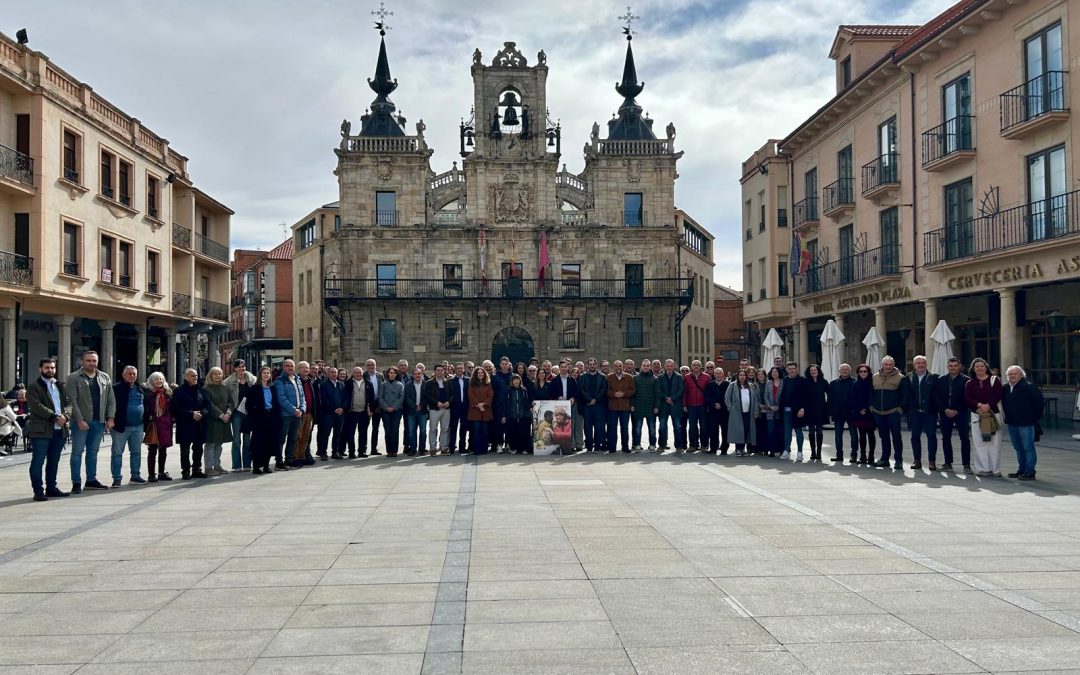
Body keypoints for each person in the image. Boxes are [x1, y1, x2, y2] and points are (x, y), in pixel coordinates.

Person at [66, 350, 116, 492]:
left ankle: (91, 480)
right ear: (82, 361)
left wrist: (110, 417)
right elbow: (72, 401)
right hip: (81, 423)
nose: (91, 363)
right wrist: (80, 420)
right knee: (77, 452)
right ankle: (76, 482)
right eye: (88, 360)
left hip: (98, 422)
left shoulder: (104, 377)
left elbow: (111, 399)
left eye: (94, 361)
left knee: (93, 452)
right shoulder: (74, 377)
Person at [26, 358, 71, 501]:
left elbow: (68, 403)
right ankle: (38, 491)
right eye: (47, 368)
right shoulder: (34, 386)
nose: (50, 370)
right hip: (41, 430)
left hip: (59, 429)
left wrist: (65, 415)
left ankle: (51, 488)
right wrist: (54, 416)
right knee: (38, 461)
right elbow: (36, 406)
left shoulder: (60, 385)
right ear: (40, 369)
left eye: (52, 368)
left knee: (54, 461)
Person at [1002, 365, 1043, 481]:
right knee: (1018, 447)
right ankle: (1022, 469)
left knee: (1028, 447)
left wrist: (1033, 419)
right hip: (1012, 423)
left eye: (1015, 374)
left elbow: (1039, 405)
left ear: (1021, 375)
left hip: (1026, 423)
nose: (1012, 376)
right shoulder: (1005, 388)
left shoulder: (1029, 387)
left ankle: (1030, 471)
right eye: (1010, 374)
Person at [965, 357, 1004, 477]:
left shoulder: (994, 380)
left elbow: (998, 394)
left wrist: (989, 405)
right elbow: (967, 397)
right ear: (973, 369)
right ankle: (982, 468)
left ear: (986, 367)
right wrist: (979, 405)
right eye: (977, 366)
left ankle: (995, 469)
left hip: (993, 414)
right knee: (979, 442)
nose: (980, 368)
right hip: (977, 415)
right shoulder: (970, 382)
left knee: (994, 442)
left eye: (982, 366)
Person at [109, 365, 147, 486]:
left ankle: (135, 476)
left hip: (138, 426)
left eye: (134, 374)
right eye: (129, 374)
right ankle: (116, 478)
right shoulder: (115, 388)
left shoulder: (140, 388)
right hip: (121, 426)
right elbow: (109, 405)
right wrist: (110, 419)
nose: (132, 376)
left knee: (136, 452)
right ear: (123, 375)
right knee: (117, 453)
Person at [871, 356, 909, 470]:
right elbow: (871, 393)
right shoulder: (874, 377)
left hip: (893, 412)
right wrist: (871, 407)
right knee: (884, 437)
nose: (888, 367)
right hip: (878, 412)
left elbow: (905, 395)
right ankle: (885, 459)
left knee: (896, 437)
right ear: (882, 365)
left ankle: (898, 460)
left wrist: (900, 409)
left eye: (890, 364)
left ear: (893, 365)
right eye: (886, 364)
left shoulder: (901, 378)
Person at [934, 356, 971, 473]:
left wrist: (957, 410)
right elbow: (937, 396)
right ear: (947, 366)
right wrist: (945, 409)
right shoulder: (941, 379)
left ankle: (966, 464)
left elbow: (967, 397)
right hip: (945, 413)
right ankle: (947, 463)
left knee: (964, 438)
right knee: (946, 438)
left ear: (959, 366)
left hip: (961, 412)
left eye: (955, 366)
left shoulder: (966, 380)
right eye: (951, 366)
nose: (953, 368)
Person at [171, 368, 209, 479]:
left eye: (196, 375)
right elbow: (174, 409)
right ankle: (186, 471)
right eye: (193, 376)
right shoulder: (179, 391)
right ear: (186, 377)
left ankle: (197, 469)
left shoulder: (201, 390)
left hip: (199, 423)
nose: (195, 378)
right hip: (185, 424)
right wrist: (190, 414)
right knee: (185, 450)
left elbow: (207, 405)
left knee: (198, 448)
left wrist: (202, 413)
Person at [904, 355, 938, 471]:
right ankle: (917, 460)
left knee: (932, 436)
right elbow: (906, 395)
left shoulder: (933, 377)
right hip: (914, 413)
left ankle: (932, 461)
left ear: (926, 364)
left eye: (923, 363)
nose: (921, 365)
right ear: (914, 365)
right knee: (915, 437)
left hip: (930, 413)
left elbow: (937, 396)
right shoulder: (908, 377)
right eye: (918, 363)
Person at [244, 366, 280, 474]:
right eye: (264, 373)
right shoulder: (254, 388)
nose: (266, 375)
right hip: (259, 419)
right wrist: (254, 416)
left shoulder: (273, 388)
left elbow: (276, 404)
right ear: (260, 375)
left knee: (269, 442)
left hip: (271, 418)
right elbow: (248, 405)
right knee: (258, 443)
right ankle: (256, 466)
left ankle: (266, 465)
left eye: (268, 373)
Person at [224, 359, 255, 472]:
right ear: (235, 368)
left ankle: (247, 464)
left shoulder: (252, 380)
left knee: (247, 439)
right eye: (240, 367)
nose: (242, 369)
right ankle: (236, 465)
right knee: (236, 439)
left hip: (248, 413)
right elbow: (225, 397)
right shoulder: (228, 381)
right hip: (236, 412)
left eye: (243, 366)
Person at [273, 359, 304, 471]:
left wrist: (301, 408)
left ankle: (289, 459)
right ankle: (279, 461)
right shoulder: (279, 381)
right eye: (287, 366)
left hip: (297, 414)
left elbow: (302, 396)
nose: (290, 368)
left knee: (293, 437)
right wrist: (293, 410)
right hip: (285, 415)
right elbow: (281, 398)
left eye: (292, 366)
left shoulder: (297, 379)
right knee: (281, 438)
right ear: (283, 367)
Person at [143, 372, 173, 481]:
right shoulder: (147, 393)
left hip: (165, 423)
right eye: (156, 379)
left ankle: (161, 472)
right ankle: (151, 475)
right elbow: (145, 409)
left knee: (163, 449)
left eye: (160, 379)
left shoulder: (168, 392)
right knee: (152, 449)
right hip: (154, 423)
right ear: (151, 381)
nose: (159, 381)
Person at [202, 367, 232, 476]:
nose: (217, 376)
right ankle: (208, 467)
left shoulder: (225, 388)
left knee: (219, 443)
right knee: (211, 443)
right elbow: (209, 404)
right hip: (213, 419)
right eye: (215, 374)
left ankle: (217, 465)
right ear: (210, 376)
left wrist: (228, 413)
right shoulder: (206, 389)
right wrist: (220, 415)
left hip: (225, 419)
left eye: (219, 374)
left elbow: (230, 402)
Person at [724, 369, 759, 456]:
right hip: (737, 412)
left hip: (748, 412)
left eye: (744, 375)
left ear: (746, 376)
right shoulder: (732, 385)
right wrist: (730, 408)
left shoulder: (750, 386)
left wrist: (755, 411)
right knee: (739, 430)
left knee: (747, 430)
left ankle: (744, 449)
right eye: (740, 375)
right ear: (738, 376)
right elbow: (727, 397)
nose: (742, 377)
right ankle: (738, 449)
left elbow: (754, 400)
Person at [848, 364, 876, 465]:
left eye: (865, 371)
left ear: (868, 372)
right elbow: (853, 398)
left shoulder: (873, 383)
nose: (863, 373)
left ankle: (871, 455)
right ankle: (863, 455)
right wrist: (859, 409)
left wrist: (866, 408)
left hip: (870, 413)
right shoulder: (855, 384)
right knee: (862, 435)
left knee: (871, 435)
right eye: (861, 371)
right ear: (858, 373)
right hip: (858, 413)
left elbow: (872, 397)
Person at [778, 361, 806, 461]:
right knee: (787, 432)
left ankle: (800, 452)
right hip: (786, 411)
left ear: (796, 369)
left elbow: (805, 396)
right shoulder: (785, 380)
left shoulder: (802, 380)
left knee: (798, 431)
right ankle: (786, 451)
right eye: (789, 369)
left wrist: (802, 408)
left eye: (793, 368)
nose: (792, 370)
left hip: (797, 411)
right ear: (787, 370)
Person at [828, 364, 856, 463]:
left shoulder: (855, 382)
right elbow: (830, 399)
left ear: (850, 371)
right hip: (838, 412)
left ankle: (854, 455)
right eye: (842, 369)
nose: (844, 371)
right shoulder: (833, 383)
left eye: (846, 369)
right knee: (838, 435)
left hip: (851, 412)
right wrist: (830, 412)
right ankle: (839, 455)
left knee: (853, 435)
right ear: (839, 371)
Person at [606, 360, 636, 453]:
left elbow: (633, 390)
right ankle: (612, 447)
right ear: (613, 367)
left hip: (625, 407)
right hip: (613, 407)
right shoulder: (609, 377)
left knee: (624, 428)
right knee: (612, 428)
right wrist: (614, 394)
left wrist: (624, 394)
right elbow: (606, 391)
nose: (618, 368)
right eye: (616, 366)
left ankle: (625, 447)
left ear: (623, 367)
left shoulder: (629, 377)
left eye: (620, 366)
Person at [579, 358, 608, 452]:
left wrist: (595, 399)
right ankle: (589, 446)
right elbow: (582, 389)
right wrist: (589, 399)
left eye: (593, 364)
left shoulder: (602, 376)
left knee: (598, 427)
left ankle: (597, 446)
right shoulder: (583, 376)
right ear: (587, 365)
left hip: (599, 405)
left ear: (596, 365)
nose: (592, 366)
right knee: (587, 427)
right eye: (590, 364)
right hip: (587, 406)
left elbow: (604, 389)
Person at [317, 367, 347, 460]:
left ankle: (335, 452)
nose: (334, 374)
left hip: (340, 414)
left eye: (335, 372)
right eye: (332, 372)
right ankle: (323, 453)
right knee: (326, 434)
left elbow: (346, 398)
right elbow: (324, 400)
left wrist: (342, 408)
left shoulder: (341, 384)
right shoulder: (324, 385)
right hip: (328, 413)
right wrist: (334, 409)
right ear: (328, 374)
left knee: (337, 434)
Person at [341, 366, 370, 458]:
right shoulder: (348, 383)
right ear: (353, 374)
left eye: (360, 372)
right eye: (356, 373)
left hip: (364, 412)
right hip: (352, 412)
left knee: (363, 433)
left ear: (362, 373)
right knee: (350, 433)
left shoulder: (368, 383)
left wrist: (370, 408)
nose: (358, 374)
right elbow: (345, 397)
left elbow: (371, 396)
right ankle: (351, 451)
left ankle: (362, 451)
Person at [293, 361, 318, 467]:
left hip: (310, 413)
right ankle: (295, 457)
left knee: (306, 437)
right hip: (300, 413)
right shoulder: (296, 381)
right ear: (298, 369)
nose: (306, 370)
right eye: (303, 368)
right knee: (298, 436)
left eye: (307, 368)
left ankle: (302, 456)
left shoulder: (310, 381)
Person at [657, 359, 685, 452]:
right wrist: (666, 398)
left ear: (674, 366)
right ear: (665, 367)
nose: (669, 368)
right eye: (667, 366)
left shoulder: (679, 377)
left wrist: (672, 398)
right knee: (662, 426)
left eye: (671, 366)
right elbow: (658, 391)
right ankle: (662, 445)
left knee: (677, 427)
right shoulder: (660, 377)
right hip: (664, 406)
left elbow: (681, 390)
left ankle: (679, 446)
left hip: (675, 405)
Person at [631, 360, 659, 452]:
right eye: (644, 365)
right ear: (641, 366)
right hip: (639, 407)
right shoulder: (635, 378)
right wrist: (632, 405)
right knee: (637, 428)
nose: (646, 367)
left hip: (651, 408)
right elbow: (633, 394)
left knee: (652, 428)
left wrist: (656, 407)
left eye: (647, 365)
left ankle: (652, 445)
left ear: (650, 367)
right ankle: (637, 445)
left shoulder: (654, 379)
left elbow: (657, 394)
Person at [424, 364, 452, 455]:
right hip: (434, 409)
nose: (440, 372)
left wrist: (449, 402)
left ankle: (443, 448)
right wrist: (436, 403)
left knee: (445, 429)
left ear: (444, 371)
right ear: (435, 371)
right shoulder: (429, 383)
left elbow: (452, 394)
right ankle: (433, 448)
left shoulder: (447, 382)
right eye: (438, 370)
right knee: (433, 429)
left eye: (441, 370)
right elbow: (427, 396)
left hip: (446, 409)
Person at [501, 373, 532, 454]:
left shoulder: (524, 390)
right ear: (512, 381)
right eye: (514, 380)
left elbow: (526, 402)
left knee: (523, 432)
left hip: (522, 415)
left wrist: (530, 408)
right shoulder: (508, 390)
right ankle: (513, 448)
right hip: (511, 415)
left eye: (517, 380)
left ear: (520, 381)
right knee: (513, 433)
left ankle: (523, 449)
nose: (516, 381)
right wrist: (503, 415)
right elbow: (504, 403)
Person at [683, 360, 710, 453]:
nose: (696, 366)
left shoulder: (707, 377)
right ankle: (693, 445)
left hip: (703, 405)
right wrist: (684, 404)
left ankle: (704, 445)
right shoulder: (687, 377)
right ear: (691, 366)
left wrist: (708, 405)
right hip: (691, 406)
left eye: (698, 365)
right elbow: (685, 392)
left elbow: (709, 393)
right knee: (692, 427)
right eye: (694, 365)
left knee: (704, 427)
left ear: (701, 366)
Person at [378, 366, 405, 456]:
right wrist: (386, 407)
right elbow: (380, 397)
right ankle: (389, 450)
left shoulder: (400, 385)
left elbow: (401, 397)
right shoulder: (383, 384)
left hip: (396, 410)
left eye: (394, 373)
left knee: (395, 430)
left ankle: (394, 451)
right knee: (388, 430)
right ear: (388, 374)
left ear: (396, 374)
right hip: (385, 410)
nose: (392, 374)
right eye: (391, 373)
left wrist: (394, 407)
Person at [467, 366, 494, 455]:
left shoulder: (488, 383)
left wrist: (484, 404)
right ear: (476, 374)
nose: (480, 374)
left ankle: (484, 448)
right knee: (476, 431)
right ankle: (476, 449)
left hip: (485, 410)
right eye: (478, 373)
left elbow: (490, 395)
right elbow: (470, 395)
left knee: (485, 431)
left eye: (482, 373)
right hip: (475, 411)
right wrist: (478, 405)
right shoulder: (472, 383)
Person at [704, 366, 729, 455]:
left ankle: (724, 448)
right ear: (714, 375)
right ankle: (713, 448)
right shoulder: (710, 384)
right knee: (713, 430)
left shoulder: (727, 384)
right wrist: (714, 403)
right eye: (716, 373)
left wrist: (721, 405)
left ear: (723, 374)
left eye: (720, 373)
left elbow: (728, 397)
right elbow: (707, 396)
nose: (718, 375)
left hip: (724, 411)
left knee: (725, 431)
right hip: (713, 411)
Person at [404, 368, 428, 456]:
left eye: (419, 374)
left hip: (423, 411)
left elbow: (427, 397)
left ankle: (422, 449)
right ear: (413, 375)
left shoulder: (426, 384)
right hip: (411, 412)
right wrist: (414, 406)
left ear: (422, 374)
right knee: (411, 431)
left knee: (423, 431)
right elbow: (407, 398)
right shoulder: (408, 385)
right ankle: (413, 449)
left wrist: (421, 406)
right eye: (415, 374)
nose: (417, 375)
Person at [364, 359, 385, 454]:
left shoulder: (380, 376)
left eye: (372, 365)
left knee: (375, 428)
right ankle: (362, 449)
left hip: (378, 406)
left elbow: (384, 389)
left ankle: (373, 449)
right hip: (366, 406)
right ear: (366, 366)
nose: (371, 366)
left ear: (375, 366)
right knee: (364, 428)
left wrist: (381, 405)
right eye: (369, 365)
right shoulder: (363, 375)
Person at [763, 366, 784, 457]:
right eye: (773, 372)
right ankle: (771, 450)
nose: (774, 373)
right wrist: (770, 406)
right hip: (770, 411)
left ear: (779, 372)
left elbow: (785, 396)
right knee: (770, 431)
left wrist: (779, 406)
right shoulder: (768, 383)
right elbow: (765, 396)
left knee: (780, 431)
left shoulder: (783, 382)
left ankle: (781, 450)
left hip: (780, 411)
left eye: (776, 371)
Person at [449, 363, 469, 455]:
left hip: (465, 408)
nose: (460, 370)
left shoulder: (468, 380)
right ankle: (452, 447)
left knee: (463, 429)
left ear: (464, 369)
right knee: (453, 428)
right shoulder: (451, 381)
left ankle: (462, 447)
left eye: (461, 368)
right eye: (458, 368)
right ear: (455, 370)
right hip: (454, 408)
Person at [753, 368, 769, 455]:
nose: (760, 376)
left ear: (765, 375)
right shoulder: (754, 385)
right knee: (759, 430)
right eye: (758, 375)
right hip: (758, 410)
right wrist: (759, 405)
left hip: (768, 410)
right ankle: (759, 448)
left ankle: (766, 448)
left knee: (767, 430)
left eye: (762, 374)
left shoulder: (769, 383)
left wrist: (768, 405)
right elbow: (753, 397)